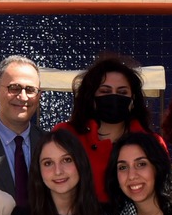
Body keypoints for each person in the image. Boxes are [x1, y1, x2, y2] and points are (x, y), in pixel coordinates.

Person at [66, 54, 158, 188]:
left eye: (122, 92)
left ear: (133, 99)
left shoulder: (153, 143)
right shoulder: (66, 136)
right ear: (90, 97)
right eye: (105, 91)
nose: (114, 97)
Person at [0, 55, 44, 200]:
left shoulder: (48, 144)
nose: (23, 97)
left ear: (39, 96)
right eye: (14, 88)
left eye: (30, 90)